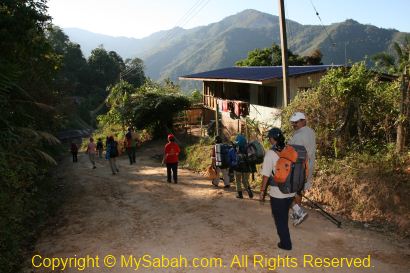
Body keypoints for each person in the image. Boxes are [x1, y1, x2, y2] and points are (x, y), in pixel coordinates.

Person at [259, 128, 295, 250]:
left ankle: (286, 244)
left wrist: (262, 192)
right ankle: (288, 233)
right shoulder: (289, 149)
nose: (269, 140)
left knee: (280, 219)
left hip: (278, 193)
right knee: (284, 215)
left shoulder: (271, 153)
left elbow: (265, 175)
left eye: (269, 138)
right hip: (291, 190)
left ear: (272, 139)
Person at [288, 112, 316, 226]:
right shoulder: (310, 132)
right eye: (293, 122)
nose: (294, 124)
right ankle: (297, 215)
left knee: (285, 192)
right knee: (297, 191)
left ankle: (299, 212)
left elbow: (294, 155)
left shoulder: (299, 136)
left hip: (298, 168)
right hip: (306, 167)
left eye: (296, 122)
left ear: (304, 121)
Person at [228, 134, 253, 199]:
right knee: (245, 181)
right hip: (247, 167)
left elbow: (230, 158)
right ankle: (249, 191)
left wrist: (232, 166)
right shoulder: (248, 148)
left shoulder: (234, 148)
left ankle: (240, 194)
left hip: (238, 167)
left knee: (238, 180)